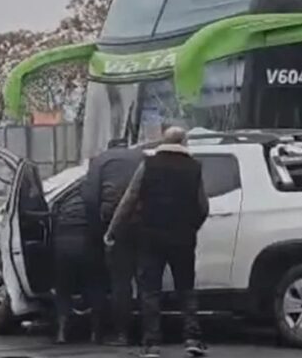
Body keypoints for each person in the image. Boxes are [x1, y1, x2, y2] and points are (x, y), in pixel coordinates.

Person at [105, 126, 209, 358]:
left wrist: (113, 230)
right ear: (183, 141)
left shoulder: (149, 165)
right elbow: (203, 206)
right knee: (186, 288)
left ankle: (151, 344)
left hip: (150, 237)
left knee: (150, 290)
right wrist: (192, 226)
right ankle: (192, 338)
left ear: (164, 140)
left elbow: (129, 199)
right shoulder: (194, 168)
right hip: (183, 239)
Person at [80, 138, 144, 346]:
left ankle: (122, 334)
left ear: (109, 146)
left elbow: (90, 197)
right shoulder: (142, 157)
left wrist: (97, 227)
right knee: (146, 281)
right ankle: (148, 333)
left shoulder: (100, 160)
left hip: (114, 224)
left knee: (120, 282)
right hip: (143, 222)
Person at [52, 174, 108, 344]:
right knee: (95, 286)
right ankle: (95, 333)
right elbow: (101, 223)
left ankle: (61, 332)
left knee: (63, 289)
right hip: (87, 244)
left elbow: (53, 217)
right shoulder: (95, 199)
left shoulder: (65, 198)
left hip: (63, 245)